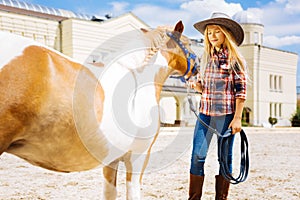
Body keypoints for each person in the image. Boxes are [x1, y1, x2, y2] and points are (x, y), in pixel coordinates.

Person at [188, 12, 247, 200]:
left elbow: (241, 91)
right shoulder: (204, 58)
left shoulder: (235, 60)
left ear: (226, 34)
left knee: (224, 159)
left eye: (217, 31)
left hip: (227, 116)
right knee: (198, 156)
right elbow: (204, 87)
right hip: (205, 115)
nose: (212, 35)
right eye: (209, 32)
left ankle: (221, 198)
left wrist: (237, 118)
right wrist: (198, 87)